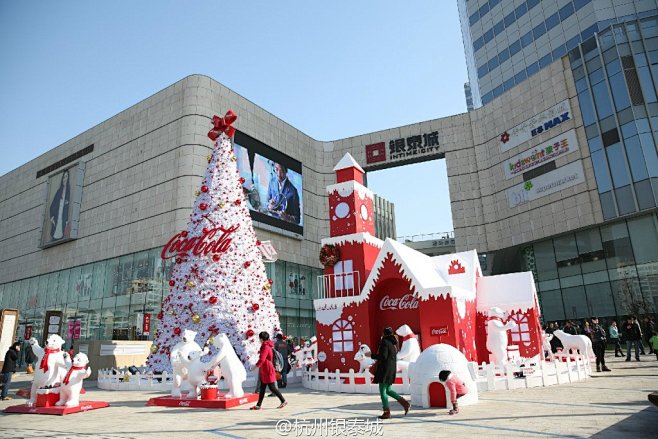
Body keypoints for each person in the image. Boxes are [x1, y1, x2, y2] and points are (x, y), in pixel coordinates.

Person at [367, 327, 410, 419]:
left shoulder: (384, 342)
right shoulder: (393, 344)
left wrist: (371, 355)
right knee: (388, 390)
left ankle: (386, 412)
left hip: (384, 370)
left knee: (383, 391)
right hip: (391, 370)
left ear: (384, 334)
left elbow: (383, 356)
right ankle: (405, 403)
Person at [250, 332, 286, 410]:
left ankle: (283, 401)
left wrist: (255, 366)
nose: (259, 340)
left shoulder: (265, 346)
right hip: (265, 369)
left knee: (272, 387)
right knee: (262, 388)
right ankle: (258, 405)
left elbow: (262, 359)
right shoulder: (267, 345)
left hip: (267, 369)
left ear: (261, 339)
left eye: (259, 338)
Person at [49, 169, 71, 241]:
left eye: (66, 177)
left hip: (63, 218)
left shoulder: (68, 190)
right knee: (55, 235)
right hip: (57, 216)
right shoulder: (59, 191)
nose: (65, 179)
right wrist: (52, 217)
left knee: (61, 234)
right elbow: (52, 205)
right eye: (64, 177)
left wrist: (67, 220)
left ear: (68, 178)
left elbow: (67, 206)